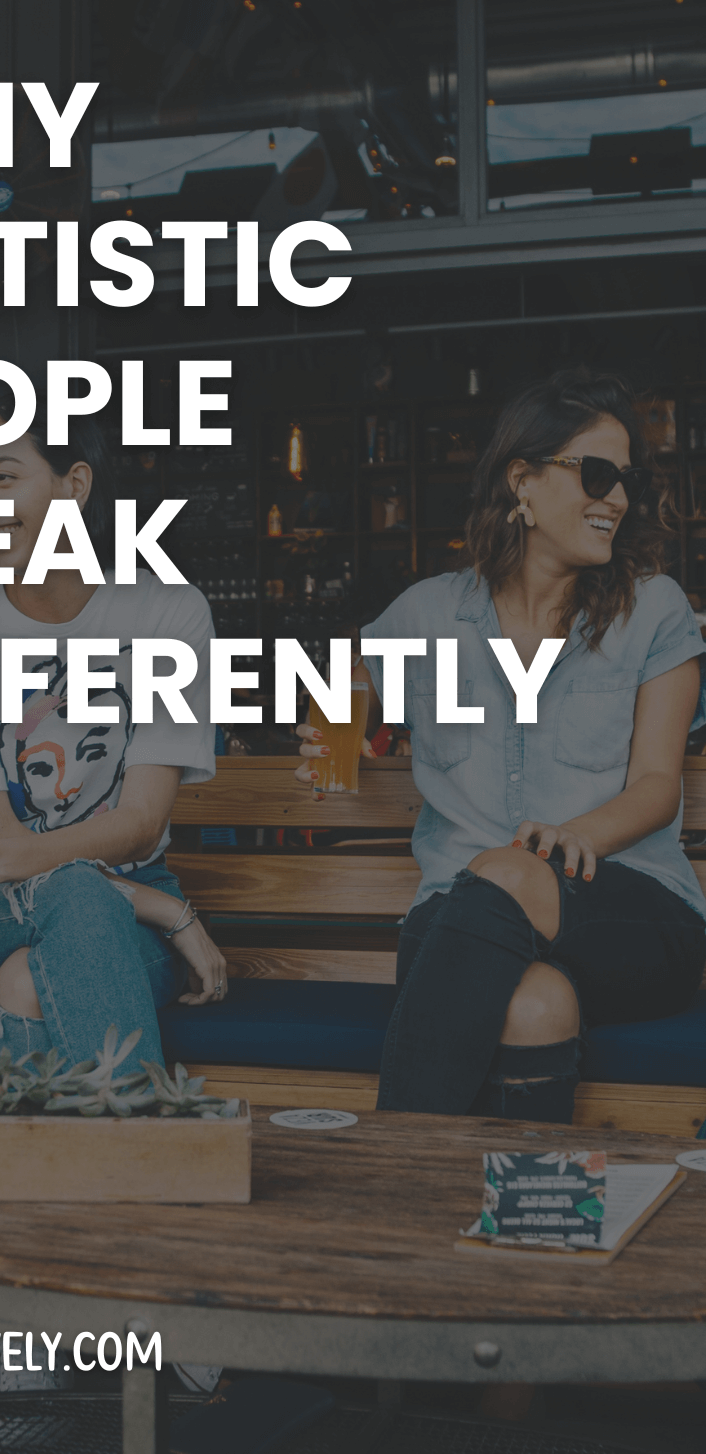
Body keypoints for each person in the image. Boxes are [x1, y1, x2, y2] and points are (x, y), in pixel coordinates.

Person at [297, 368, 706, 1122]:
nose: (615, 497)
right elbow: (336, 694)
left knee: (513, 874)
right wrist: (336, 736)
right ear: (523, 481)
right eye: (596, 473)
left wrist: (573, 835)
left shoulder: (653, 611)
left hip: (628, 913)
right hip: (460, 920)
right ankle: (517, 1223)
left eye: (626, 481)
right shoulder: (428, 614)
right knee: (535, 1006)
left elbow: (657, 785)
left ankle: (392, 1162)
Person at [0, 378, 227, 1074]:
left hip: (120, 906)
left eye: (4, 477)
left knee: (23, 984)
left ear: (74, 485)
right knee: (68, 894)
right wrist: (162, 909)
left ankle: (51, 1169)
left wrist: (138, 898)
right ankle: (153, 1153)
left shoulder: (168, 614)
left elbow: (138, 824)